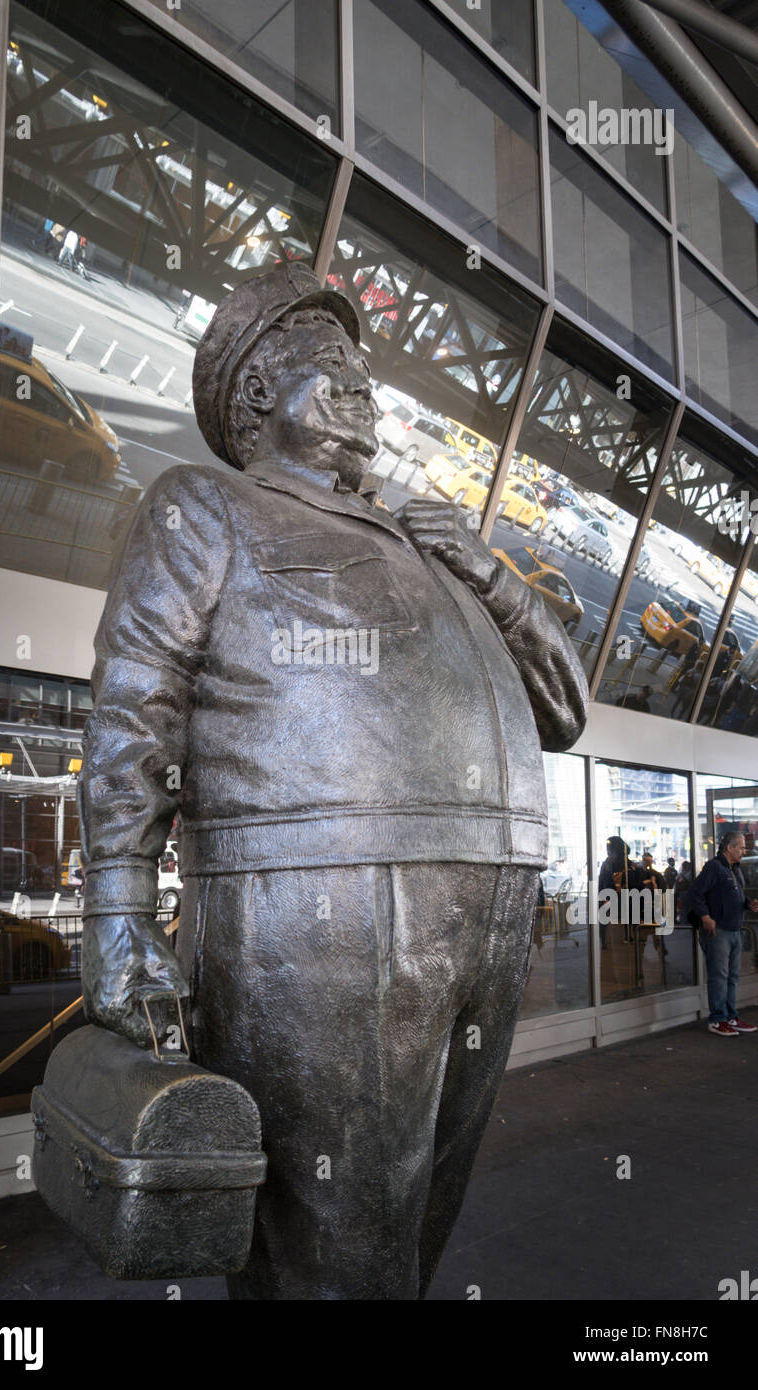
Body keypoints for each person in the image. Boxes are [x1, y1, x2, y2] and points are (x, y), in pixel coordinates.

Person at [78, 263, 589, 1301]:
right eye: (336, 374)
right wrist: (118, 907)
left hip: (482, 910)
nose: (367, 397)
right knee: (332, 1251)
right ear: (260, 395)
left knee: (409, 1231)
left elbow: (565, 710)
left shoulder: (431, 543)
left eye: (369, 381)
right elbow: (133, 707)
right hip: (319, 908)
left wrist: (488, 572)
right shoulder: (204, 507)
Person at [688, 831, 758, 1035]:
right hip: (718, 931)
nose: (744, 851)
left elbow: (730, 896)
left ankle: (730, 1016)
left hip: (734, 930)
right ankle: (717, 1019)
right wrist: (705, 917)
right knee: (719, 976)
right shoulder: (714, 867)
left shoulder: (734, 869)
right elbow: (695, 893)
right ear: (730, 848)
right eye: (741, 847)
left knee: (732, 976)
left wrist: (747, 903)